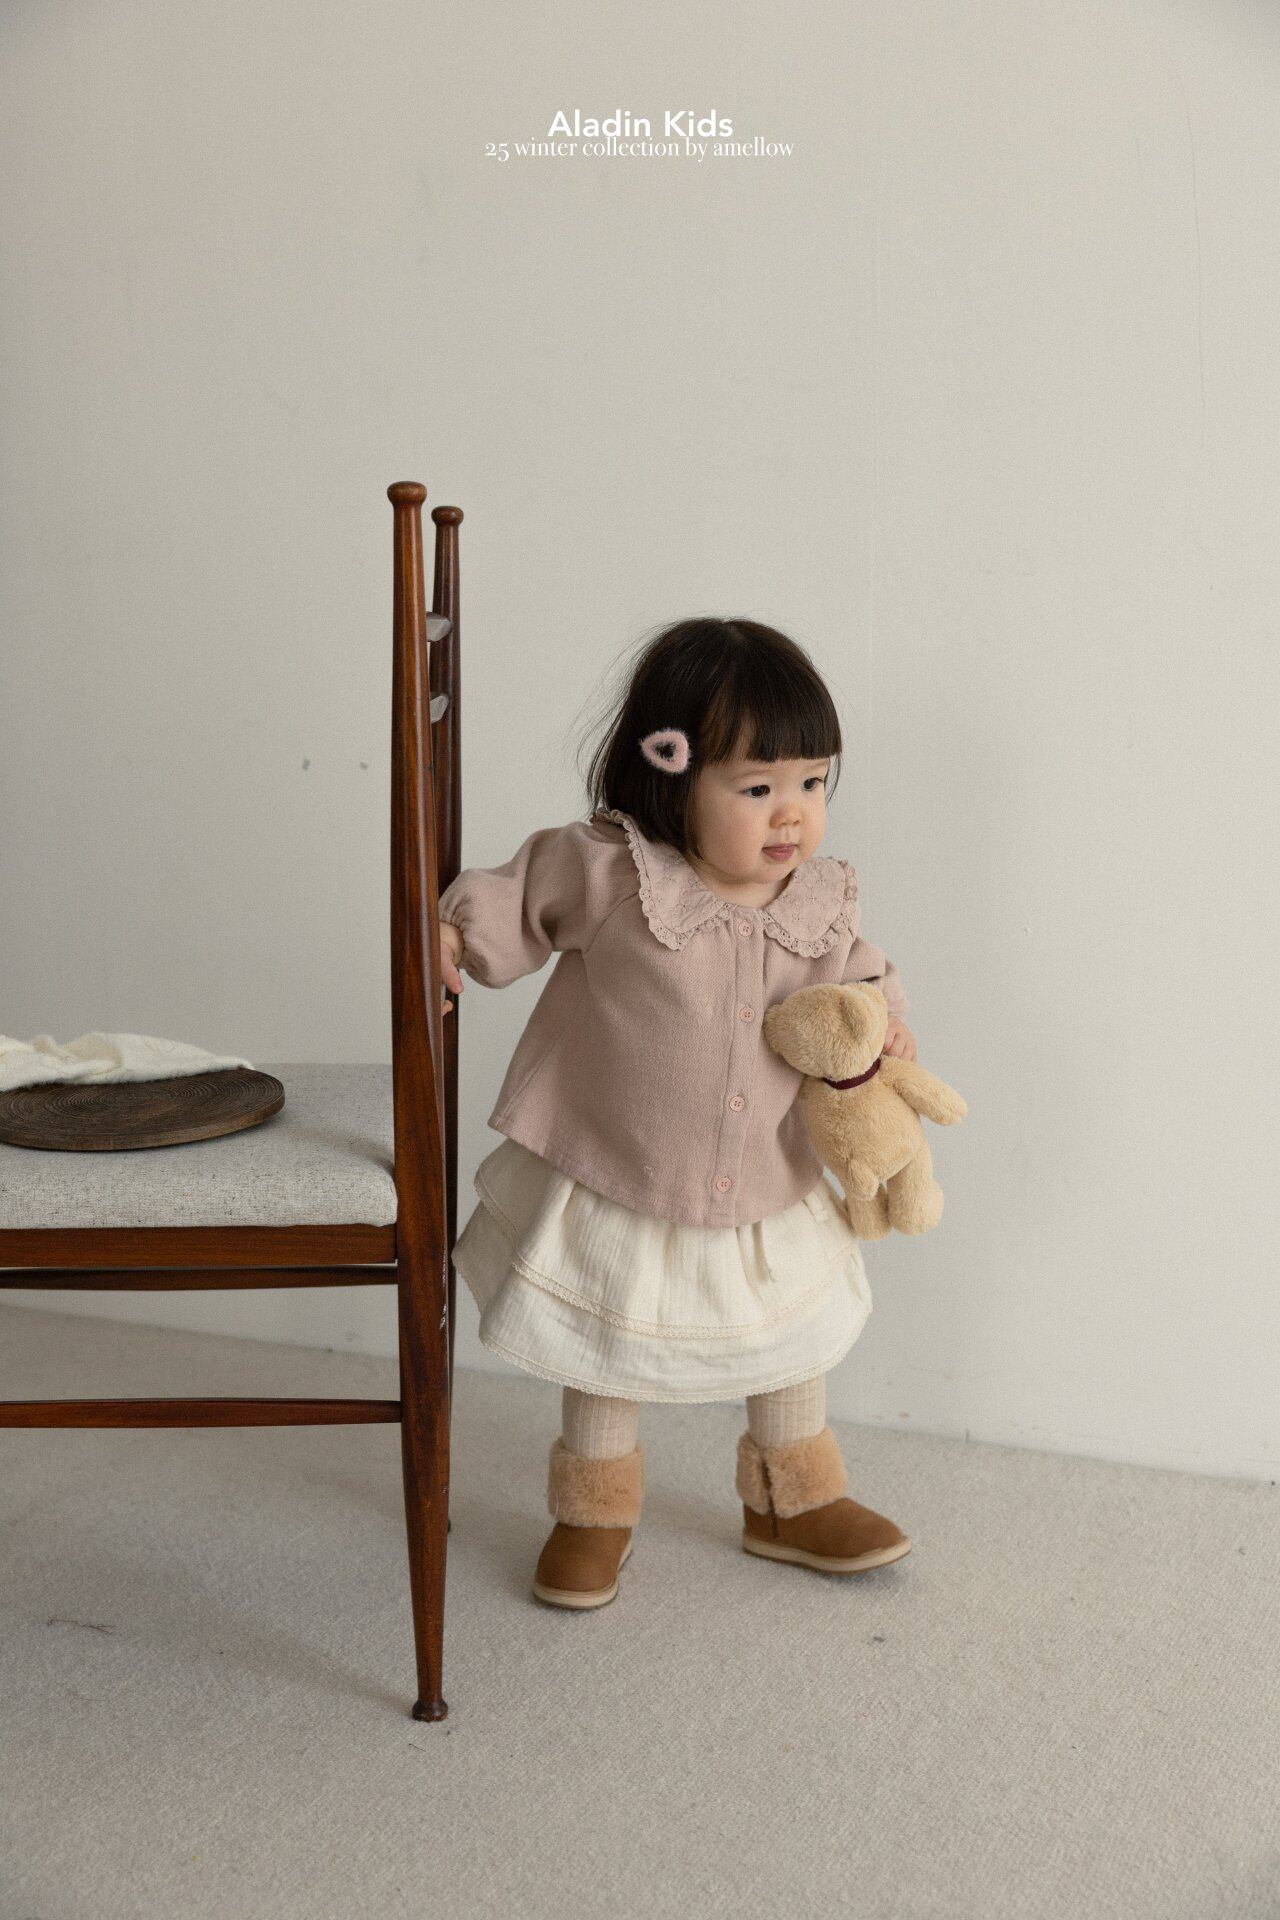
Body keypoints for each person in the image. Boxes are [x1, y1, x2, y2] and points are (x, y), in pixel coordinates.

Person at [437, 616, 918, 1610]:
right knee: (610, 1335)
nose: (792, 816)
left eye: (811, 783)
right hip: (621, 1167)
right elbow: (514, 904)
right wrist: (453, 934)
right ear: (670, 773)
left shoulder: (818, 902)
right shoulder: (614, 873)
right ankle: (592, 1513)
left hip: (768, 1176)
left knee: (787, 1333)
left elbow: (859, 982)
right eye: (756, 789)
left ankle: (791, 1500)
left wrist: (884, 1031)